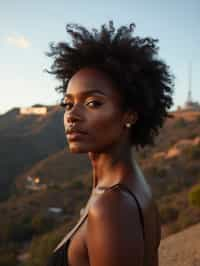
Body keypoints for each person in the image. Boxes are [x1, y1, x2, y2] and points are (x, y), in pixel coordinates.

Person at [46, 21, 174, 266]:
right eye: (68, 103)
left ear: (129, 114)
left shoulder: (112, 207)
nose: (72, 115)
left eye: (93, 103)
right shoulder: (120, 187)